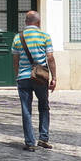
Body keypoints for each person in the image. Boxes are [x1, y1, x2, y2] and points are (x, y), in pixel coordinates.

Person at [10, 10, 57, 152]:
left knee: (26, 109)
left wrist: (18, 74)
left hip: (23, 78)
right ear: (38, 22)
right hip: (40, 77)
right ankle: (43, 138)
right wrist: (54, 77)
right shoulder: (45, 36)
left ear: (26, 22)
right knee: (44, 106)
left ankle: (30, 142)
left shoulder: (18, 38)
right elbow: (50, 58)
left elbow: (15, 60)